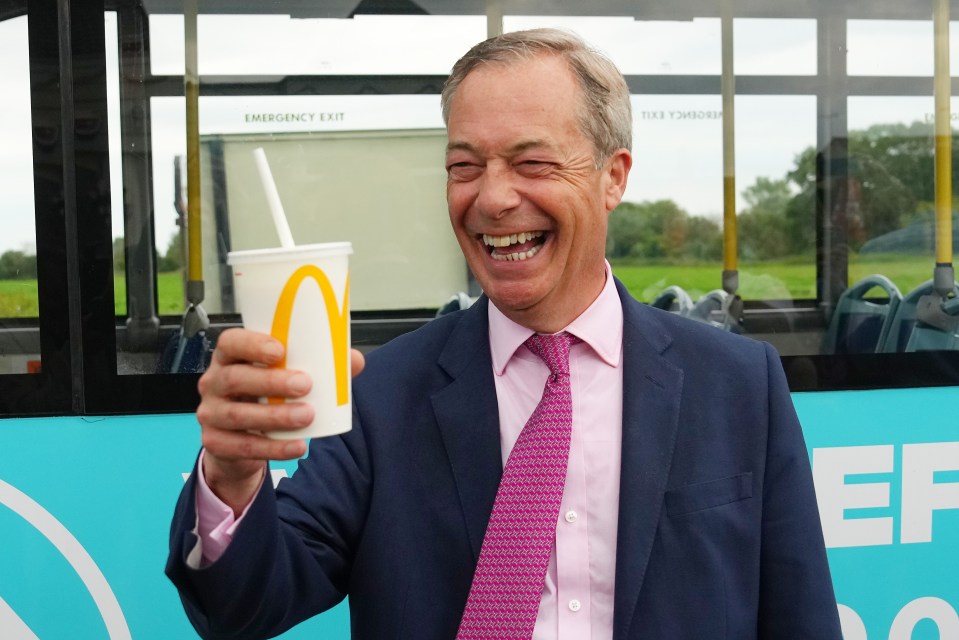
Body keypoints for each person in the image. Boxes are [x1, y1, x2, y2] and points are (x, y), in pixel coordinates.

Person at [166, 28, 842, 640]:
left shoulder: (736, 384)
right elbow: (245, 607)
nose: (491, 198)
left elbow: (799, 616)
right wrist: (231, 473)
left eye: (532, 163)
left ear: (612, 177)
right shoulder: (383, 395)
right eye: (464, 166)